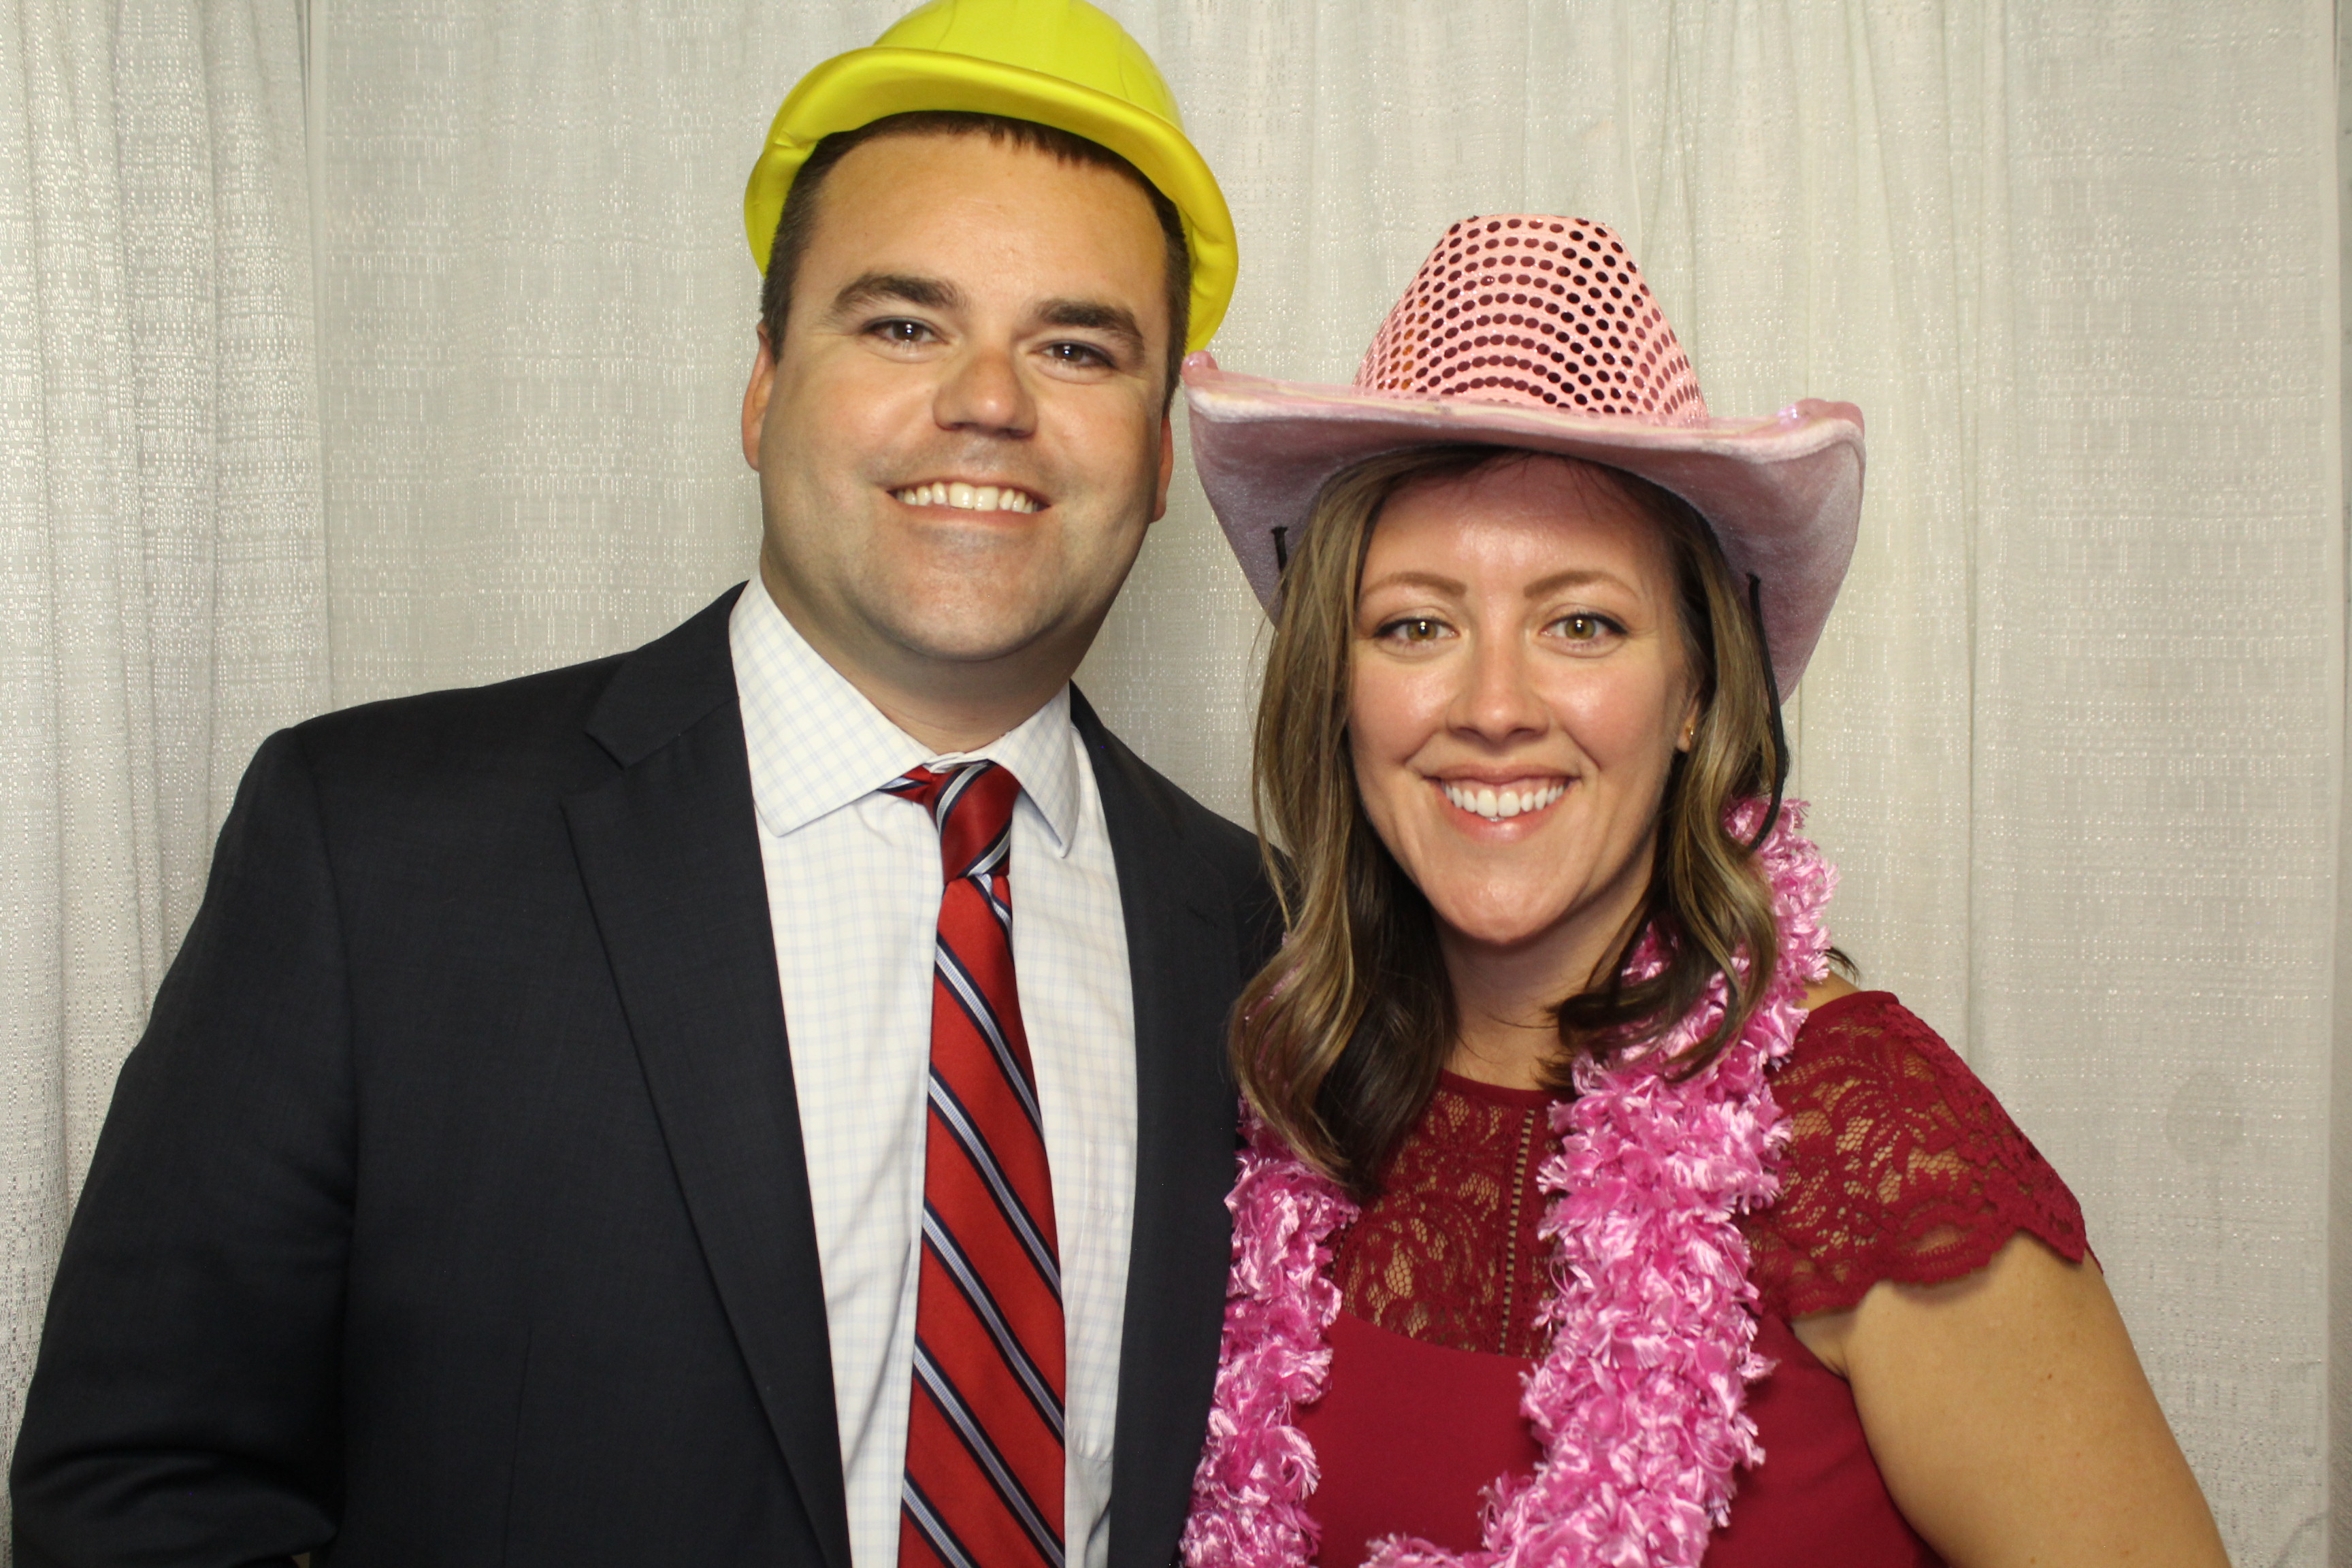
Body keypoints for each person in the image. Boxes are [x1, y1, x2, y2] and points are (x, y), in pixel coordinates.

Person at [12, 4, 1274, 1566]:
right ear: (761, 389)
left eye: (1078, 347)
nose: (990, 402)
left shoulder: (1263, 938)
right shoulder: (373, 854)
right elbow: (140, 1495)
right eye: (901, 325)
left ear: (1157, 457)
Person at [1175, 217, 2228, 1567]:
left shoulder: (1862, 1137)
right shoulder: (1292, 1098)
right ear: (1339, 683)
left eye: (1583, 624)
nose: (1494, 708)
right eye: (1417, 625)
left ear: (1695, 691)